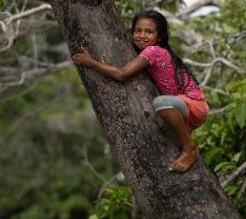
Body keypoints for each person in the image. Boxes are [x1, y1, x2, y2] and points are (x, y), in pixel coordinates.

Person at [72, 10, 208, 173]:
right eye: (138, 31)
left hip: (192, 105)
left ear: (159, 37)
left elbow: (122, 74)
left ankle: (189, 148)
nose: (142, 35)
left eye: (149, 32)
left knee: (160, 102)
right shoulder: (148, 52)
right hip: (183, 108)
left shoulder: (154, 51)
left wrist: (91, 63)